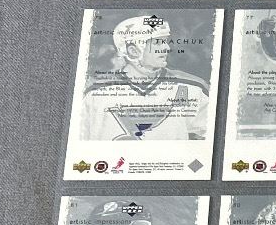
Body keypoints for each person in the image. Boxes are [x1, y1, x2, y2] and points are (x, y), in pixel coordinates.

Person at [82, 13, 211, 143]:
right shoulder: (94, 94)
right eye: (157, 43)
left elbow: (208, 140)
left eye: (165, 41)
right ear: (133, 51)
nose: (166, 48)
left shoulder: (193, 87)